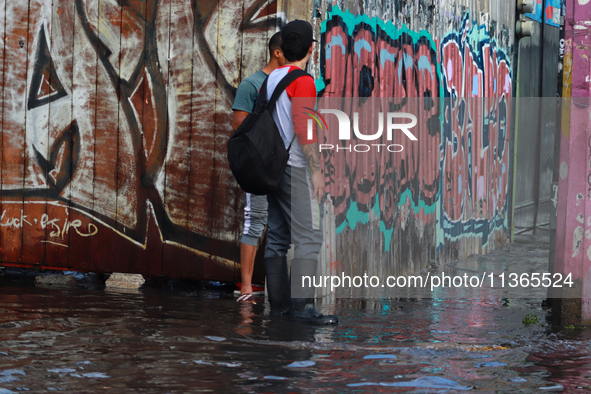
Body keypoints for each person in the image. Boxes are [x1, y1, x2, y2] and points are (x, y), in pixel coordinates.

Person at [263, 20, 338, 324]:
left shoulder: (272, 78)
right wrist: (317, 171)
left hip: (271, 168)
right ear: (310, 49)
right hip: (294, 167)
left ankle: (280, 308)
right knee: (309, 237)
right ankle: (302, 308)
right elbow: (305, 128)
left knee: (278, 237)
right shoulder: (303, 81)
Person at [232, 33, 285, 303]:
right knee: (255, 221)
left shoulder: (291, 80)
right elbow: (239, 124)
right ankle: (246, 288)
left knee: (280, 225)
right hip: (262, 167)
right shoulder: (252, 84)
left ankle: (273, 288)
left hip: (284, 166)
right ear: (277, 52)